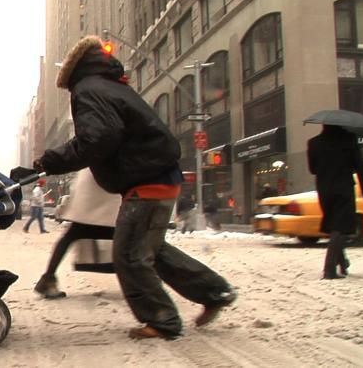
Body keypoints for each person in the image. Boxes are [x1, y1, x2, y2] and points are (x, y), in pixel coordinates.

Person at [34, 35, 236, 339]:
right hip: (159, 176)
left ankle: (162, 319)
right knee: (152, 250)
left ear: (72, 72)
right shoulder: (111, 85)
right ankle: (214, 292)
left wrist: (49, 162)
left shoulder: (87, 89)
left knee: (128, 255)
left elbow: (98, 138)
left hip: (146, 180)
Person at [34, 168, 120, 299]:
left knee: (73, 234)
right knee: (130, 234)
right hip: (103, 186)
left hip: (95, 188)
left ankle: (47, 279)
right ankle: (143, 280)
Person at [307, 124, 363, 280]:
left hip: (324, 190)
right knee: (341, 227)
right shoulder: (349, 140)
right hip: (344, 189)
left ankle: (343, 262)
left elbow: (313, 169)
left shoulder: (314, 142)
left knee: (334, 226)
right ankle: (329, 269)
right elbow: (360, 167)